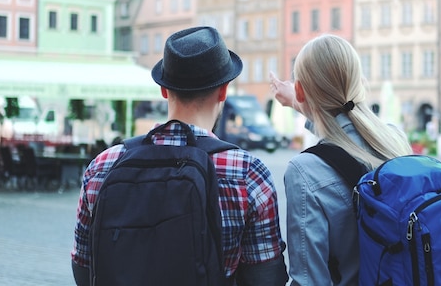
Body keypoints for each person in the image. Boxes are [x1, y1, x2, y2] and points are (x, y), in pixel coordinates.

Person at [71, 26, 288, 285]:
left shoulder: (103, 165)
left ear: (164, 90)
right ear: (223, 91)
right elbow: (265, 277)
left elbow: (83, 266)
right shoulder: (247, 173)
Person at [270, 34, 412, 285]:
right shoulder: (394, 138)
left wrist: (301, 99)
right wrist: (299, 100)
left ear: (300, 90)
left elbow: (309, 279)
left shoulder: (305, 171)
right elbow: (345, 129)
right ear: (358, 82)